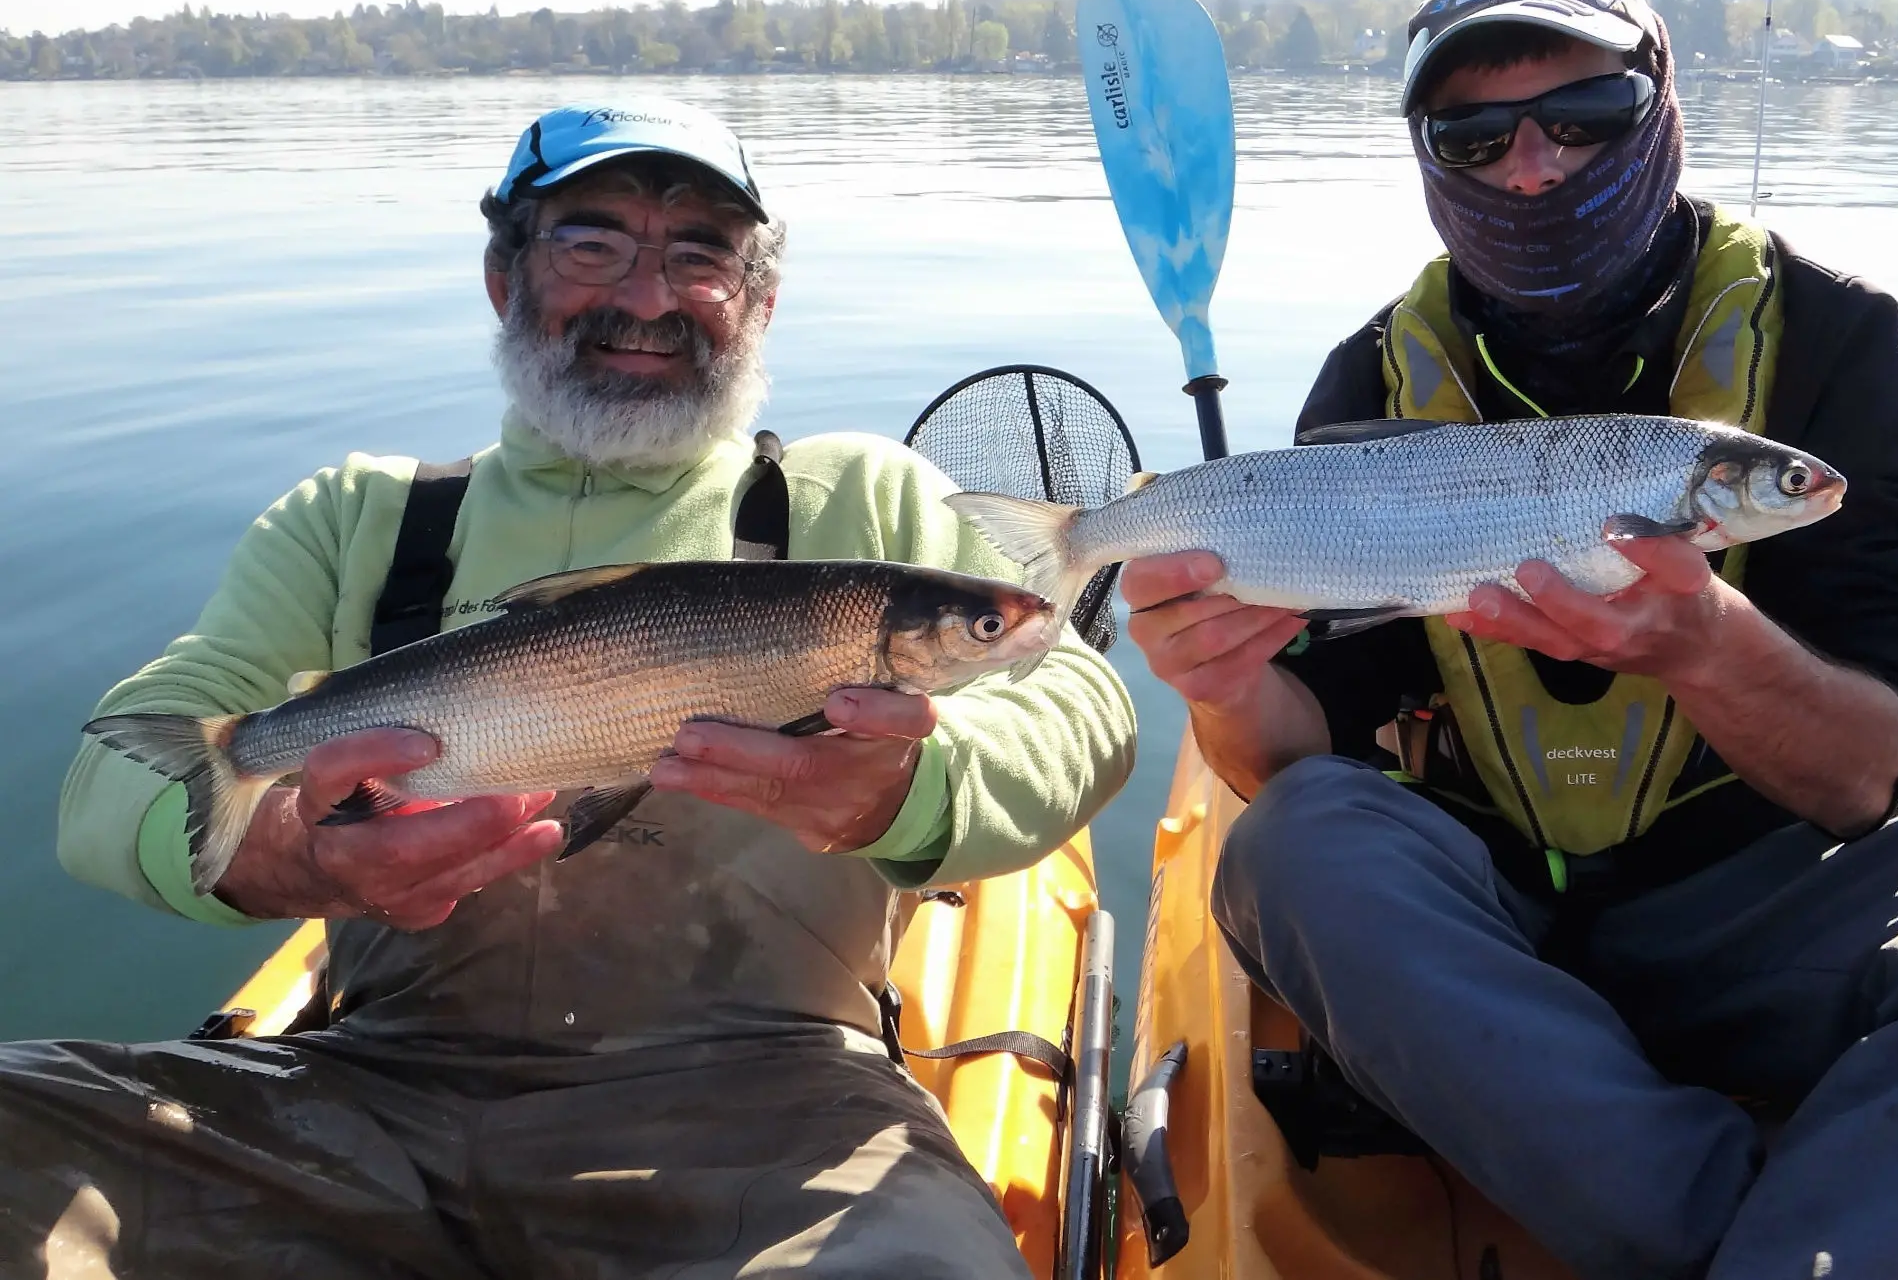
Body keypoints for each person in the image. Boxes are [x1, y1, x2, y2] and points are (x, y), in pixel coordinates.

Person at [3, 100, 1136, 1279]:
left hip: (773, 1120)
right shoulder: (355, 519)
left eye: (700, 253)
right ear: (503, 276)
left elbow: (1081, 708)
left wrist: (913, 785)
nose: (645, 298)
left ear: (757, 301)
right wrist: (289, 851)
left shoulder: (862, 496)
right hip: (358, 1101)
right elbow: (110, 772)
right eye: (591, 242)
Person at [1123, 0, 1898, 1280]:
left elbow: (1860, 782)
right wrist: (1218, 678)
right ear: (1430, 155)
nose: (1534, 167)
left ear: (1661, 103)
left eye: (1584, 116)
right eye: (1475, 135)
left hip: (1761, 911)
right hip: (1478, 927)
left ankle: (1670, 1209)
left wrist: (1711, 646)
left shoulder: (1845, 346)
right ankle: (1787, 1237)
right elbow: (1300, 761)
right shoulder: (1369, 382)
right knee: (1290, 847)